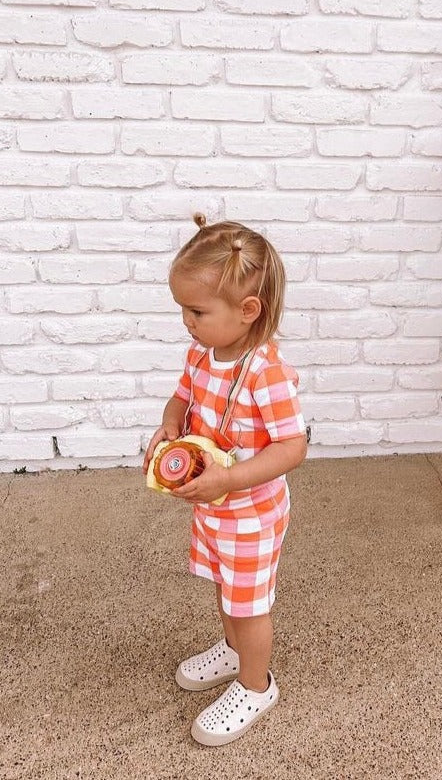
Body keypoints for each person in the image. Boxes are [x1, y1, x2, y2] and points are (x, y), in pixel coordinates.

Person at [143, 215, 307, 746]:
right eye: (183, 310)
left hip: (252, 512)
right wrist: (171, 422)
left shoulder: (267, 372)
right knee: (224, 587)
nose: (187, 322)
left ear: (247, 311)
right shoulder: (201, 352)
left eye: (196, 311)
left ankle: (256, 684)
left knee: (250, 603)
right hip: (213, 505)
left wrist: (231, 478)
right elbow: (183, 398)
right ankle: (233, 650)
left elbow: (292, 446)